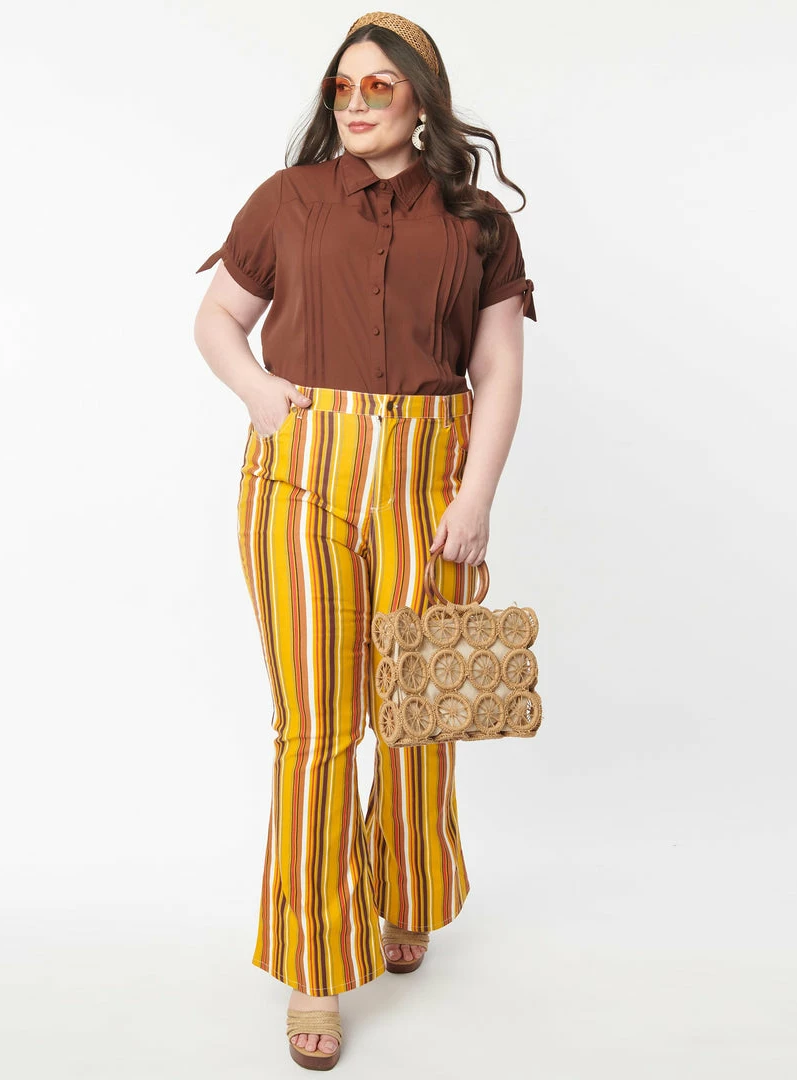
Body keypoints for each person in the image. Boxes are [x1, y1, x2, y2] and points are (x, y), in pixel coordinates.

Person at [193, 11, 536, 1071]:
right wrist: (260, 396)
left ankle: (407, 890)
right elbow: (217, 320)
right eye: (342, 87)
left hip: (431, 478)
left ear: (420, 97)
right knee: (315, 726)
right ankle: (313, 963)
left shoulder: (477, 220)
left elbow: (499, 368)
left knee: (420, 709)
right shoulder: (287, 200)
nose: (355, 103)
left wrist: (475, 496)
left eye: (378, 85)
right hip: (302, 475)